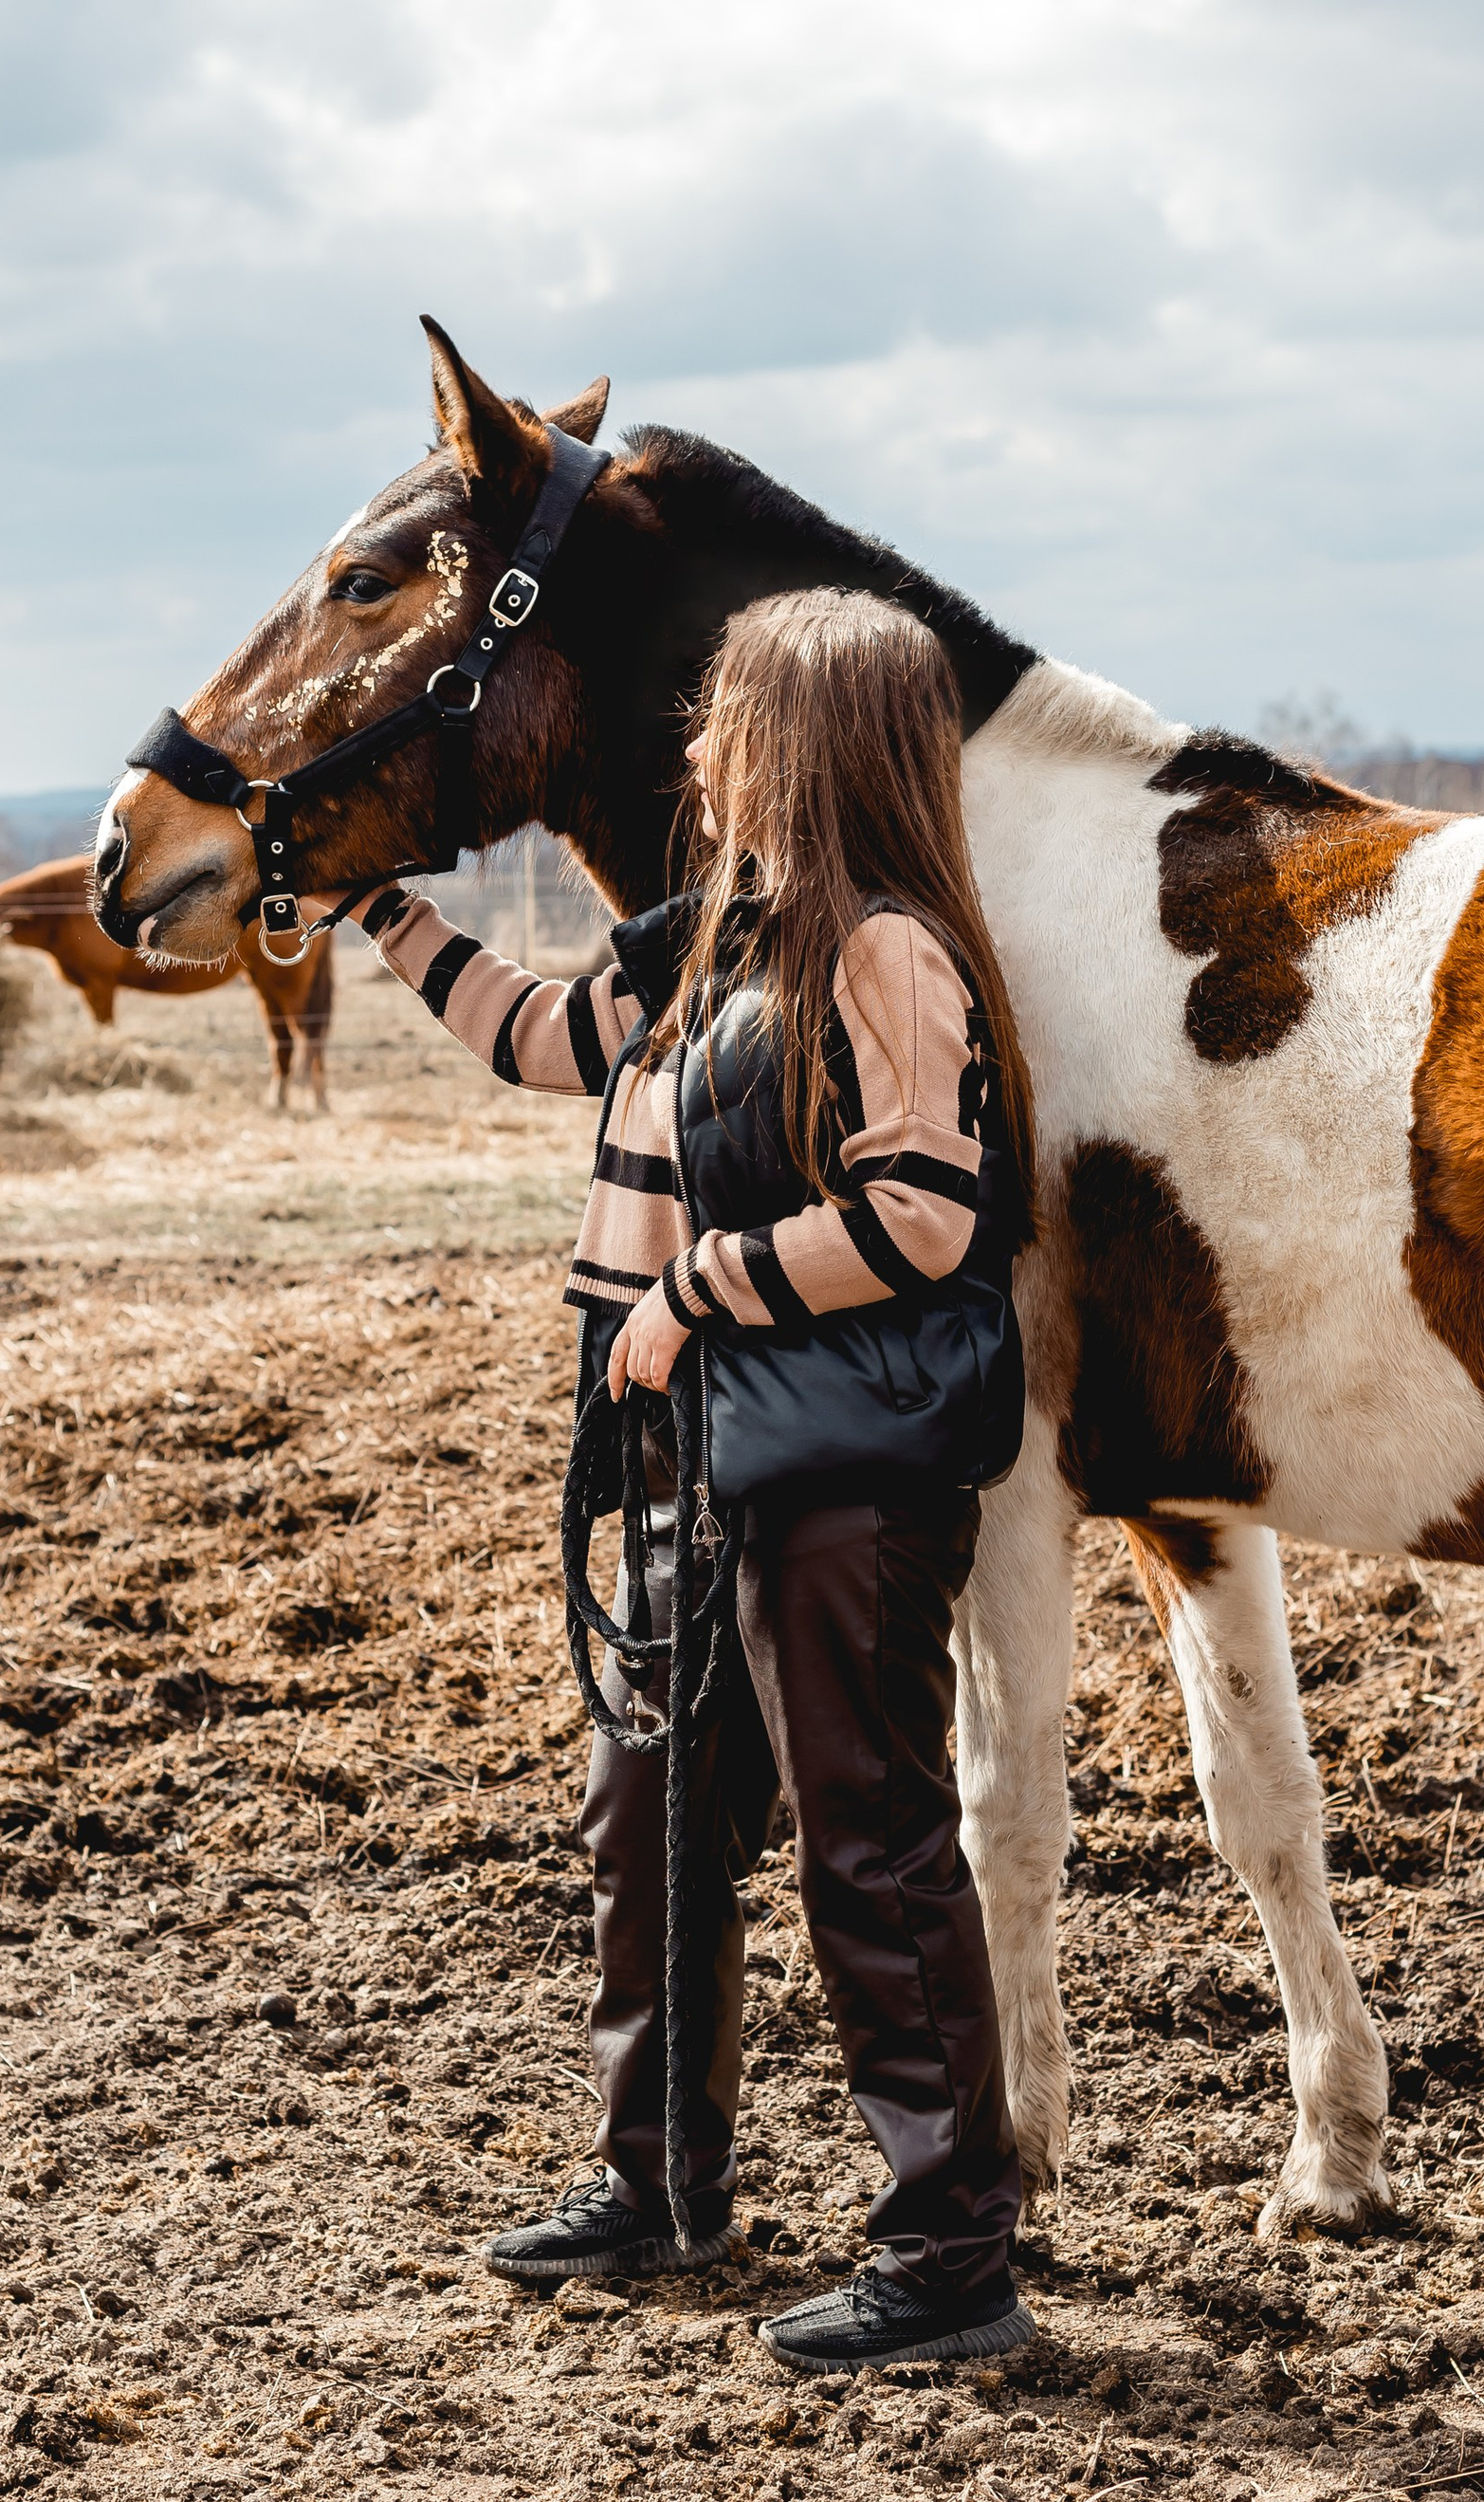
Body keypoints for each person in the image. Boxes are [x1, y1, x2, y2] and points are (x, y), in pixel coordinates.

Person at [357, 586, 1039, 2373]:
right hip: (703, 1458)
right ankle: (660, 2184)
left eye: (730, 718)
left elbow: (924, 1212)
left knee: (870, 1851)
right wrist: (377, 911)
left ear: (801, 747)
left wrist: (699, 1289)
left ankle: (954, 2258)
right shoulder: (716, 946)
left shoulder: (886, 953)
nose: (699, 749)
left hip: (836, 1474)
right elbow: (537, 1034)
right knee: (647, 1821)